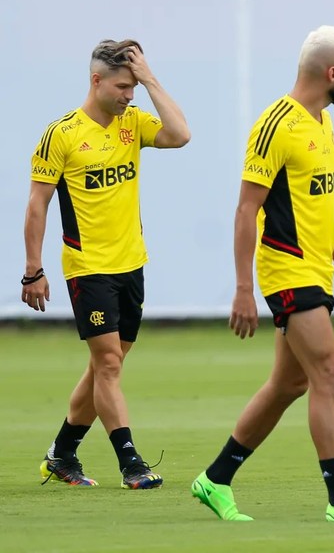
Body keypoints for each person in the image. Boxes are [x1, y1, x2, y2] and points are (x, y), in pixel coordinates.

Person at [191, 26, 334, 523]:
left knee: (289, 384)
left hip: (314, 268)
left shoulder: (322, 122)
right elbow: (245, 211)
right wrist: (242, 289)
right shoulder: (275, 125)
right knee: (328, 371)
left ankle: (215, 479)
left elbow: (313, 205)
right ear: (331, 73)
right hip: (285, 269)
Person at [25, 39, 190, 489]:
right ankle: (131, 464)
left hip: (131, 265)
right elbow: (37, 205)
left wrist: (151, 78)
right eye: (122, 86)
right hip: (87, 268)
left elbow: (180, 135)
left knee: (105, 367)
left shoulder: (131, 124)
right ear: (96, 81)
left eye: (134, 87)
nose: (129, 96)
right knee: (110, 365)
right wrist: (33, 269)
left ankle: (62, 454)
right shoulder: (61, 134)